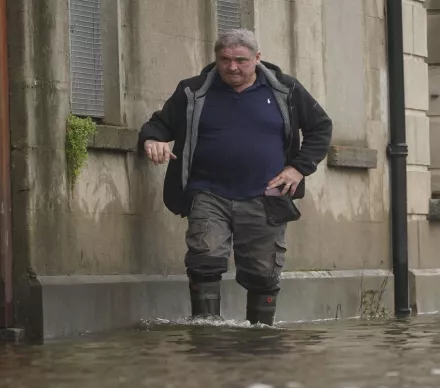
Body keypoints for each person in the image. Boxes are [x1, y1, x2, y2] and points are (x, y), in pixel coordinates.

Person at [137, 28, 333, 326]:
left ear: (257, 58)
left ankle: (260, 337)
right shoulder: (193, 91)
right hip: (207, 192)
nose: (232, 67)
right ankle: (206, 332)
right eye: (224, 59)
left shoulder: (285, 90)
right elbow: (160, 124)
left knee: (263, 272)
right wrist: (152, 140)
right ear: (216, 58)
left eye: (241, 60)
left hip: (266, 195)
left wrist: (298, 168)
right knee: (205, 258)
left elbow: (320, 127)